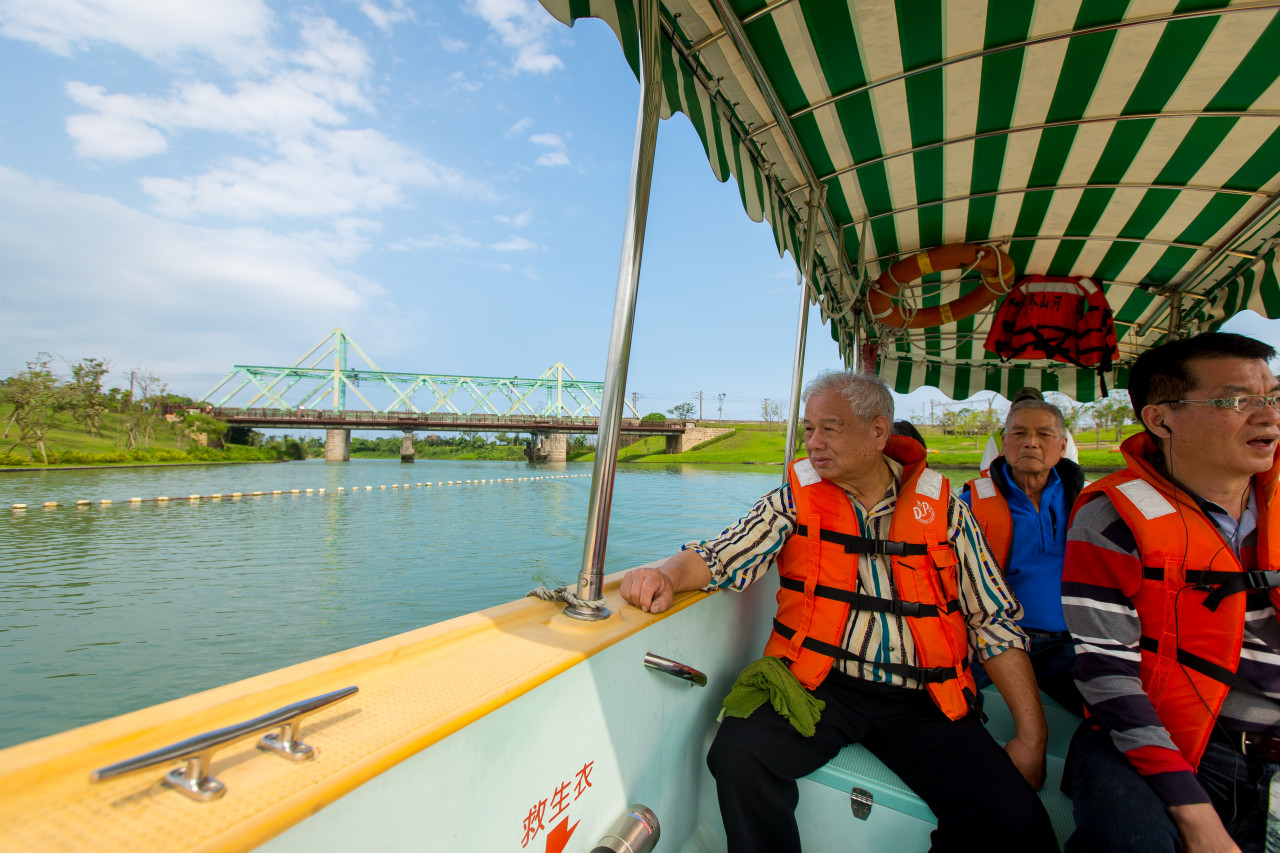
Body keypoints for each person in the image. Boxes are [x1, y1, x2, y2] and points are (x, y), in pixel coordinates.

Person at [620, 372, 1056, 853]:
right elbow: (722, 553)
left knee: (1016, 820)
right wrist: (665, 574)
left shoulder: (948, 511)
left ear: (877, 431)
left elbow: (992, 622)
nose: (813, 442)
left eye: (829, 428)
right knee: (739, 755)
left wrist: (1032, 737)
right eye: (808, 429)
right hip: (820, 684)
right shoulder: (794, 498)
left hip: (924, 698)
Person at [1062, 332, 1280, 853]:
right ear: (1161, 420)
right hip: (1173, 742)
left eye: (1272, 397)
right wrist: (1196, 816)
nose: (1267, 416)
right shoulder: (1109, 517)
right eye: (1235, 401)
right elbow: (1107, 671)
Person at [962, 395, 1086, 714]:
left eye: (1044, 434)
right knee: (949, 708)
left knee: (1105, 717)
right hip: (991, 639)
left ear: (1062, 446)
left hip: (1068, 643)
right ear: (1004, 444)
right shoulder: (967, 505)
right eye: (1019, 434)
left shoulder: (1089, 503)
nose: (1031, 442)